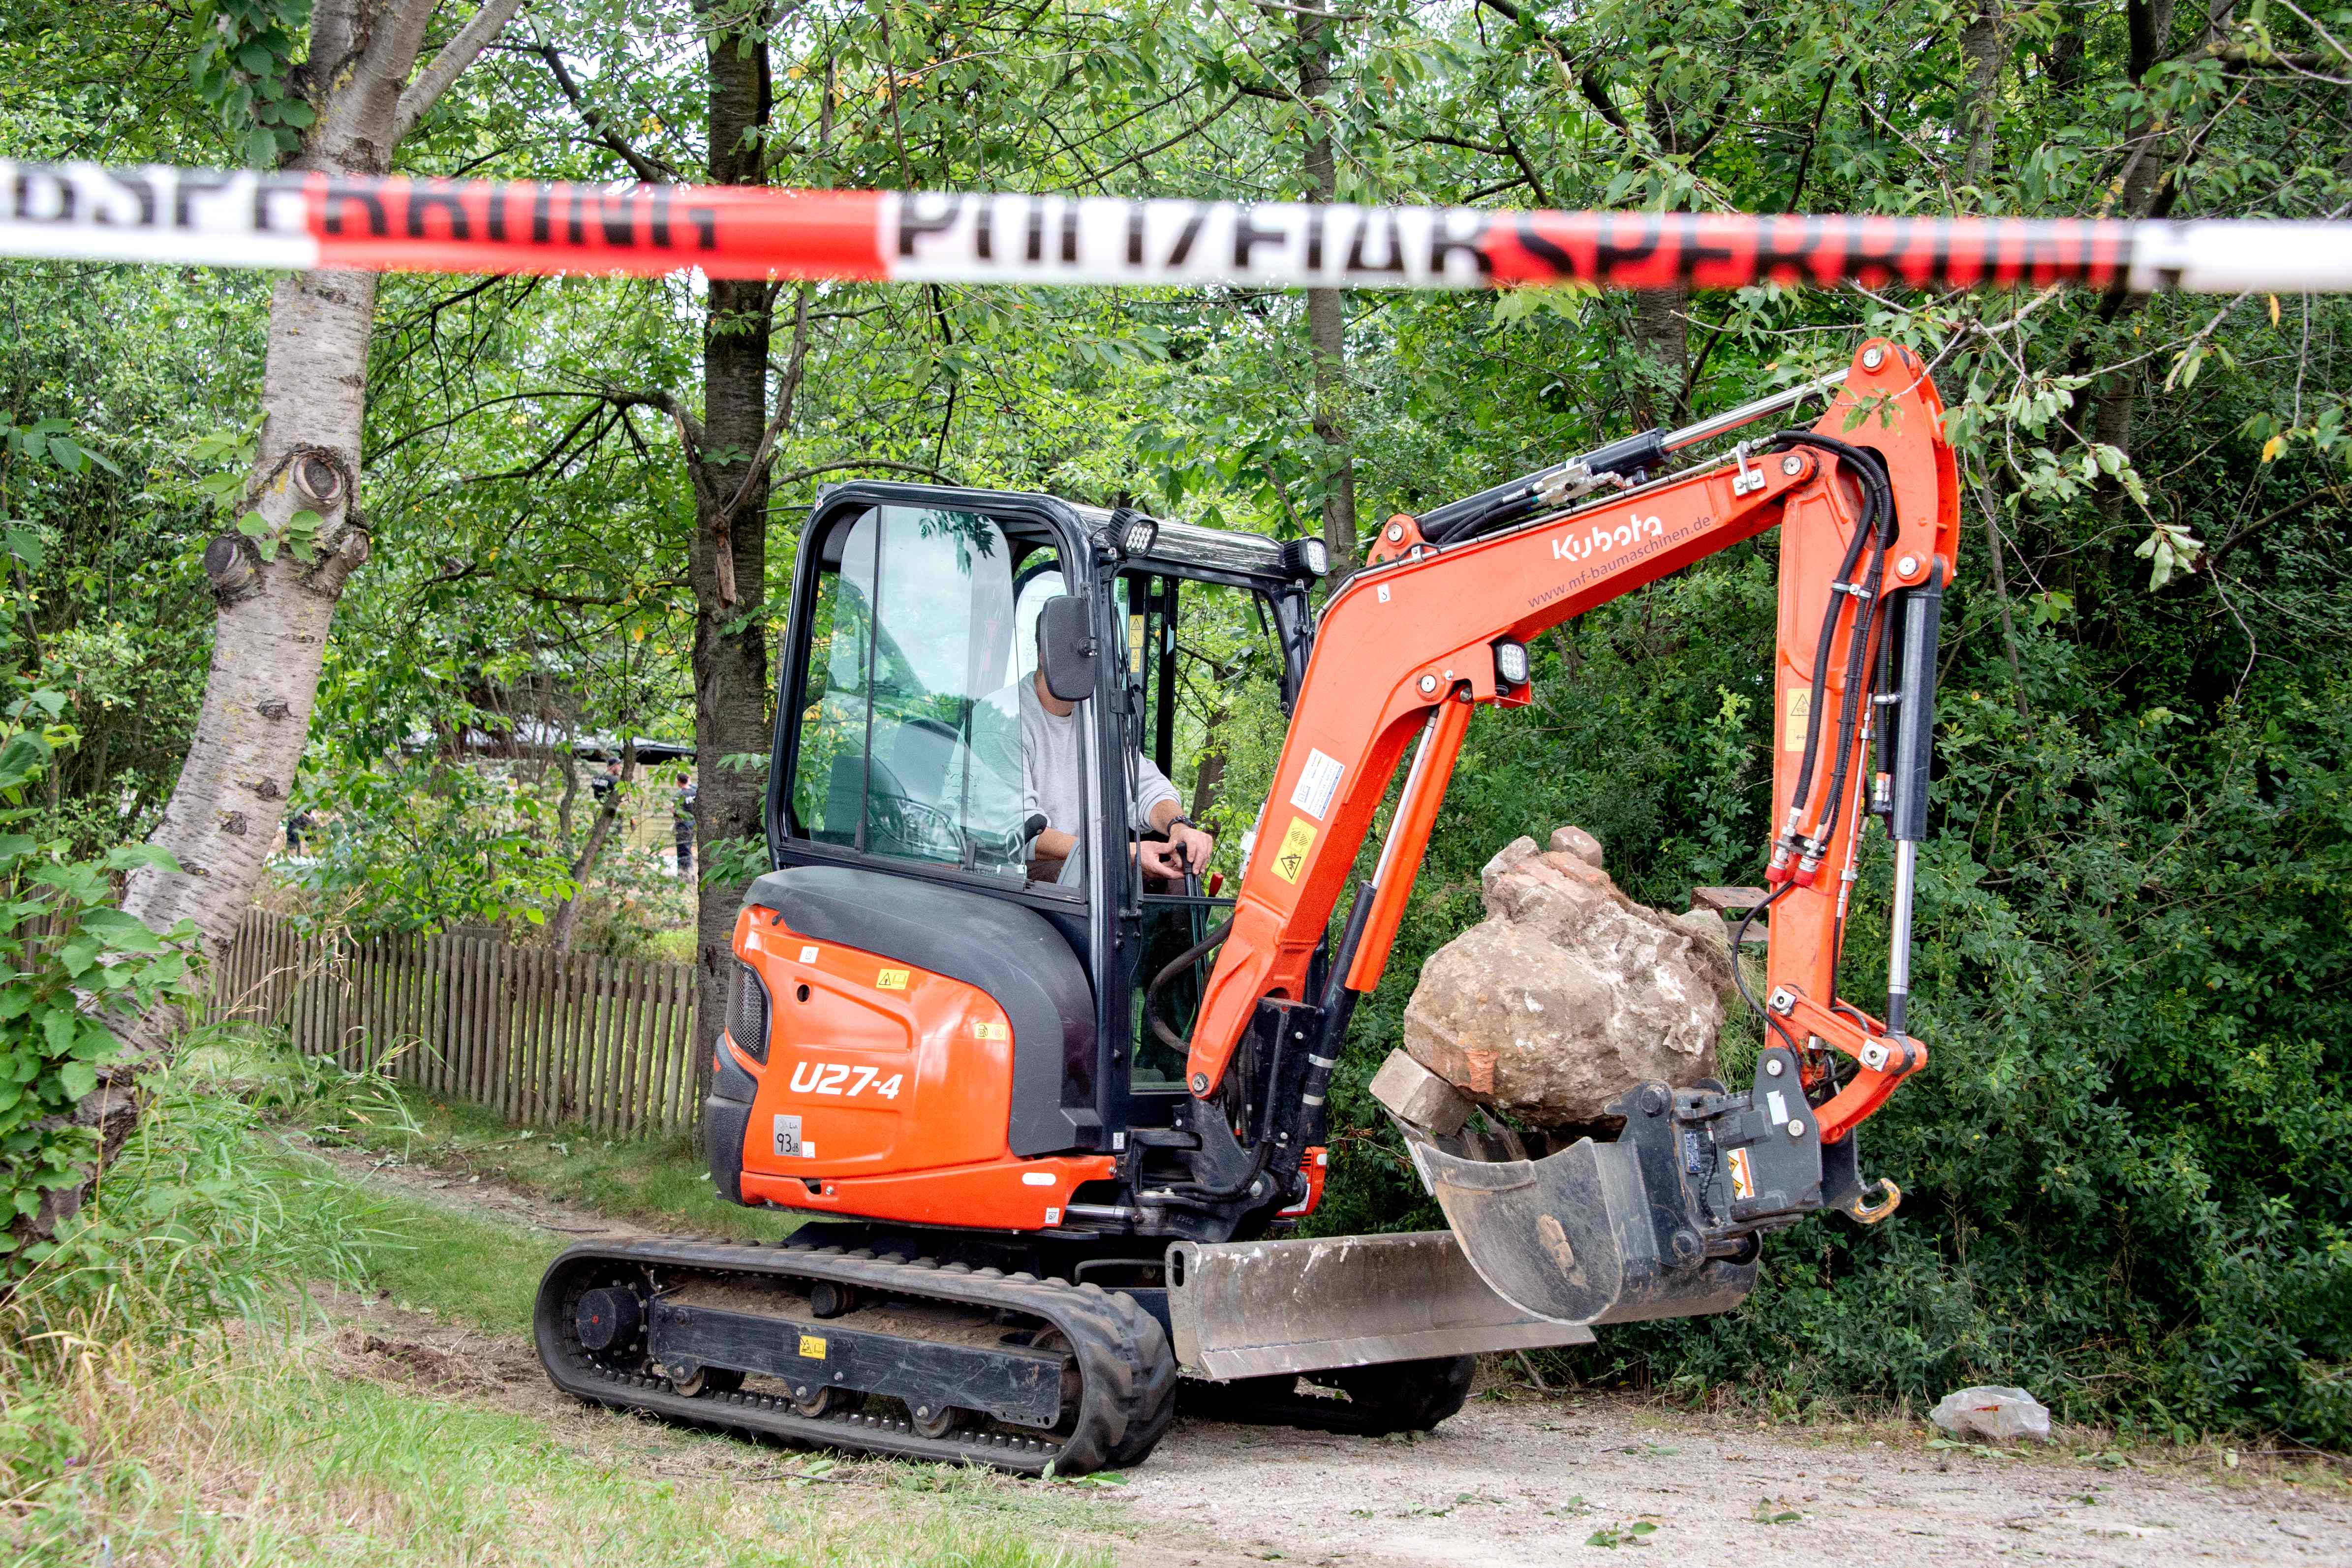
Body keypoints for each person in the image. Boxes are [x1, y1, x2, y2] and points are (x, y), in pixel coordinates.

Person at [1020, 659, 1213, 886]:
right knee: (1109, 883)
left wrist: (1179, 826)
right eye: (1084, 651)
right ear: (1051, 650)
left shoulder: (1092, 716)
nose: (1092, 663)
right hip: (1020, 870)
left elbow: (1142, 785)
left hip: (1088, 857)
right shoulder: (1009, 719)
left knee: (1180, 878)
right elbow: (1022, 833)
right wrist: (1124, 853)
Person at [672, 774, 696, 878]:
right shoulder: (694, 792)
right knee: (689, 848)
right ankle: (690, 875)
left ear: (679, 782)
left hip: (683, 826)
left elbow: (673, 809)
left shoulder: (679, 795)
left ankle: (686, 877)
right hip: (694, 824)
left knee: (683, 851)